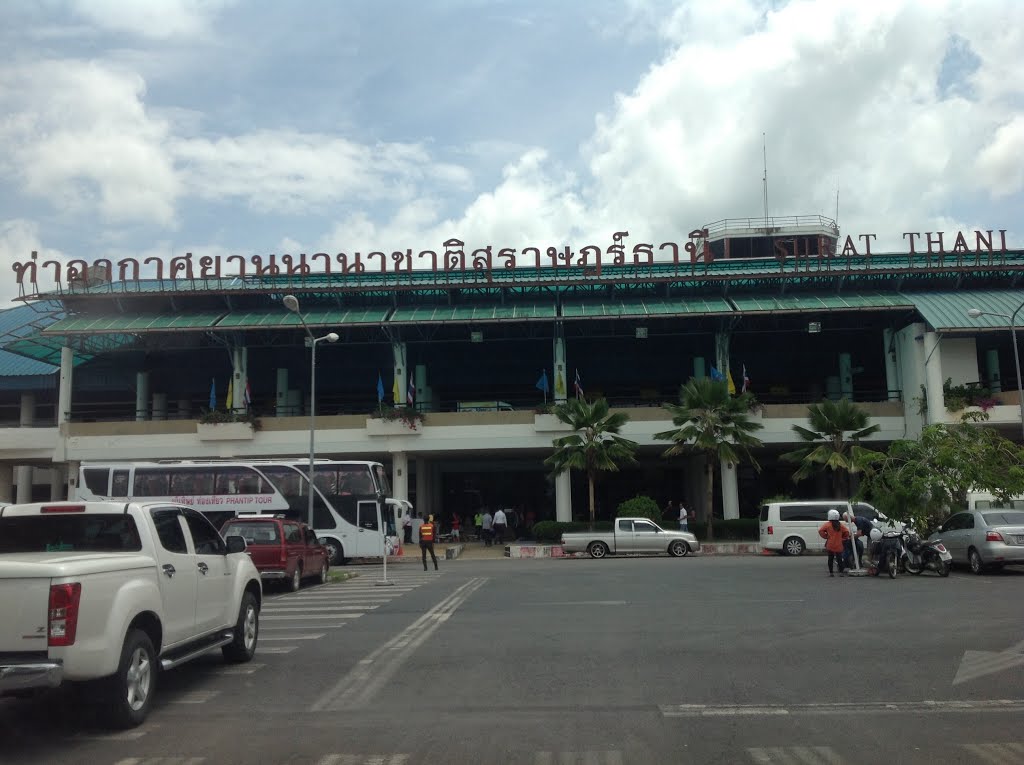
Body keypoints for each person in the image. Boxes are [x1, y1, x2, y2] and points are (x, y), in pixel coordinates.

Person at [818, 509, 851, 577]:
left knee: (830, 559)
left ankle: (831, 573)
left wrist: (826, 536)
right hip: (839, 545)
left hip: (830, 545)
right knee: (839, 559)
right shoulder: (841, 525)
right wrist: (843, 538)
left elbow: (821, 531)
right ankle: (841, 573)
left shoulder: (827, 524)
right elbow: (847, 532)